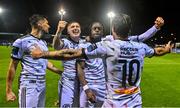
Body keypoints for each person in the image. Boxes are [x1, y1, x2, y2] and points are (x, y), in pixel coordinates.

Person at [31, 13, 173, 108]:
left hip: (114, 102)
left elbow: (70, 54)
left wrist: (42, 54)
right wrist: (166, 50)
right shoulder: (140, 47)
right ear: (129, 30)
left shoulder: (107, 46)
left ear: (113, 29)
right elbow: (156, 51)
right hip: (135, 101)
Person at [77, 16, 164, 108]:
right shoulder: (87, 44)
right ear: (90, 31)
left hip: (107, 90)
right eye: (94, 29)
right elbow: (79, 66)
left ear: (108, 30)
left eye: (99, 29)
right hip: (91, 85)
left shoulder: (108, 41)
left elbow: (141, 37)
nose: (97, 30)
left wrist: (155, 28)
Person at [6, 14, 64, 107]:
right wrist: (8, 91)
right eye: (47, 23)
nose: (49, 26)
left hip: (42, 84)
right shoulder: (21, 41)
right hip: (28, 84)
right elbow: (13, 65)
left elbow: (45, 62)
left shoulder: (43, 43)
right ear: (40, 24)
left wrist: (59, 72)